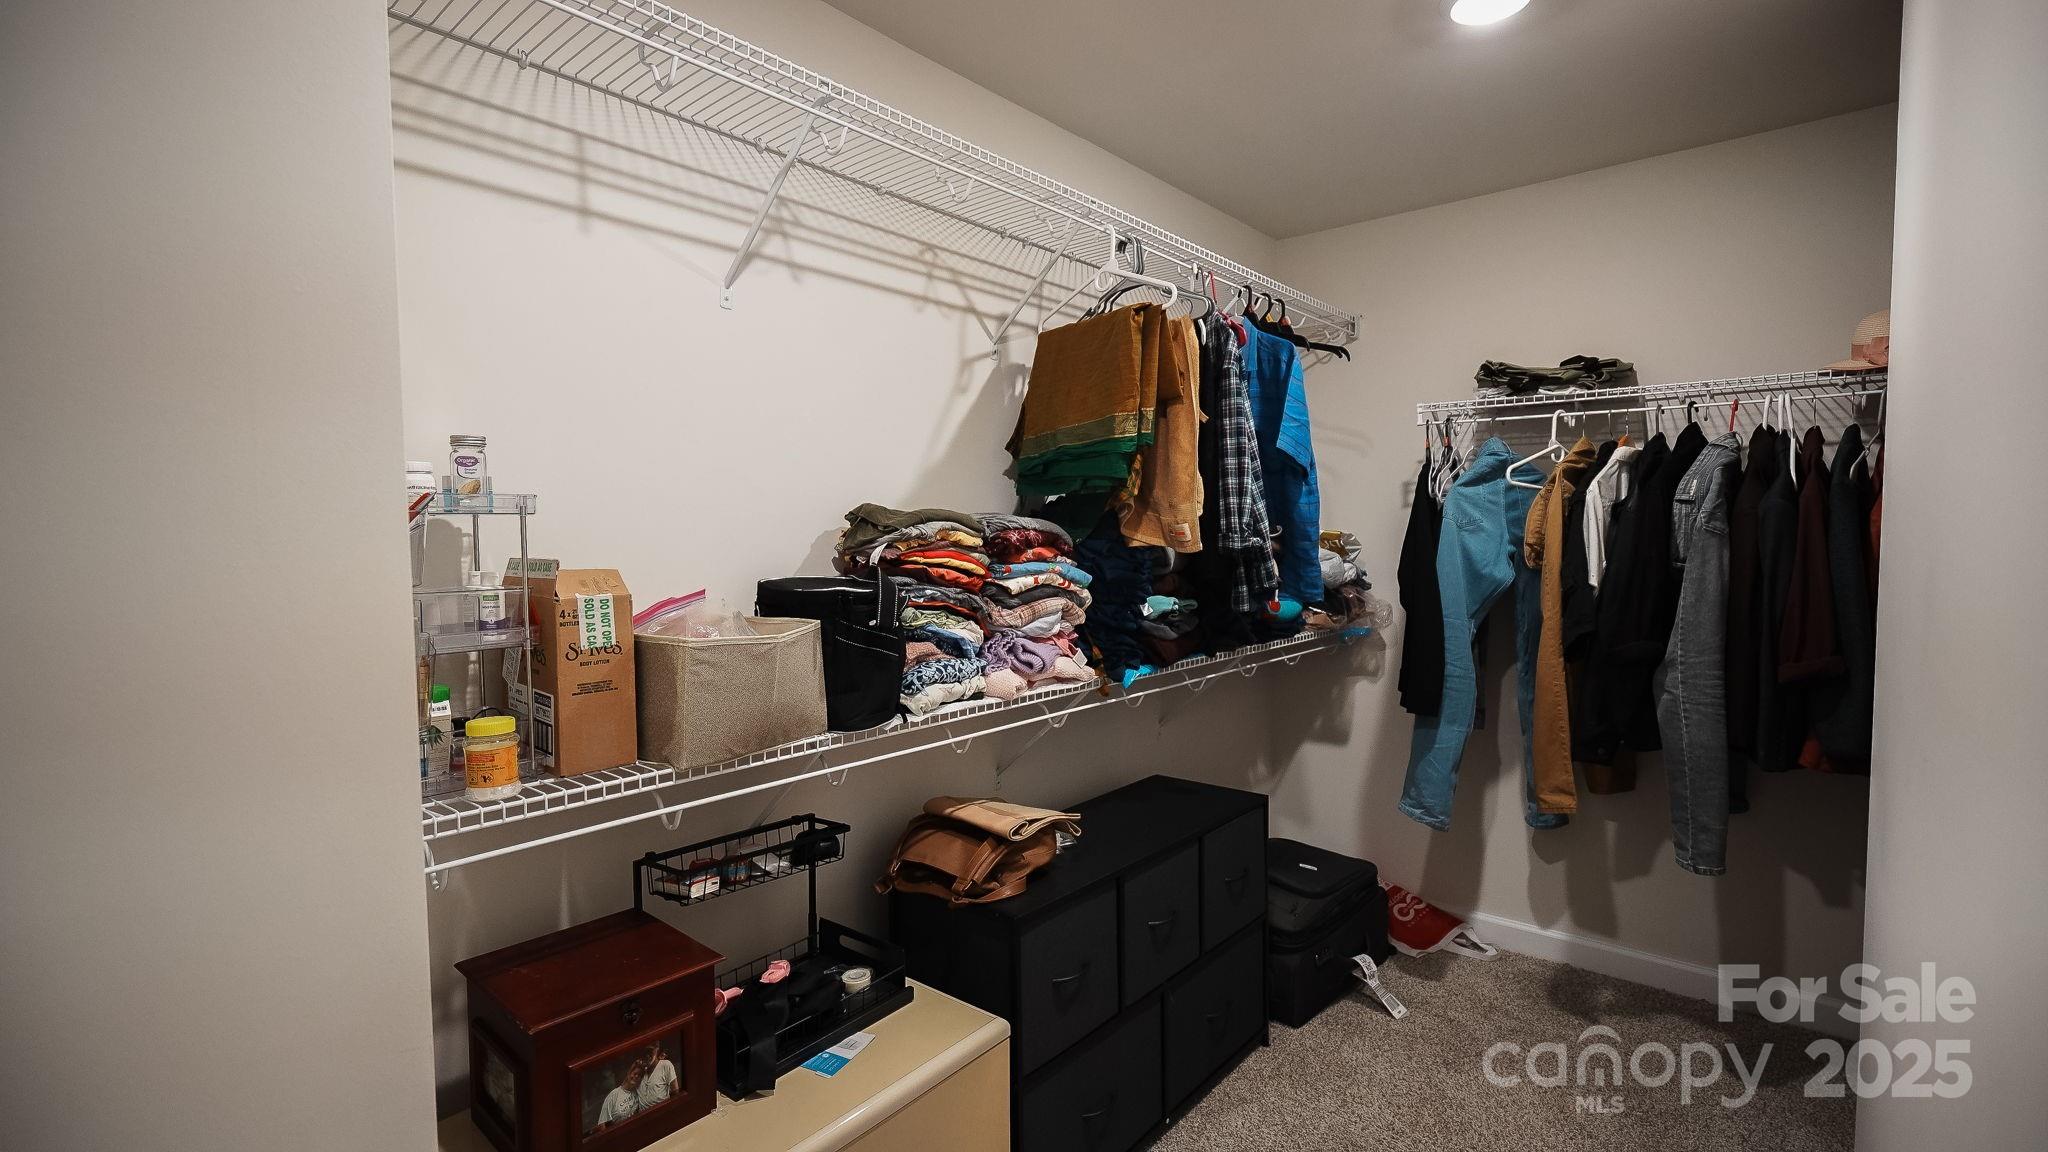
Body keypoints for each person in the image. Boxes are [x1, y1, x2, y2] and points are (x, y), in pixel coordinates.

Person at [594, 1061, 644, 1132]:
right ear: (629, 1073)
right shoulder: (614, 1095)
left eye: (639, 1075)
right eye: (635, 1073)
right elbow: (602, 1124)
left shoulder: (638, 1093)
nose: (636, 1076)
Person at [638, 1042, 679, 1109]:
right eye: (645, 1052)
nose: (647, 1055)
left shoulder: (665, 1065)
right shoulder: (639, 1070)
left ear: (656, 1049)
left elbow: (675, 1092)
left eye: (650, 1051)